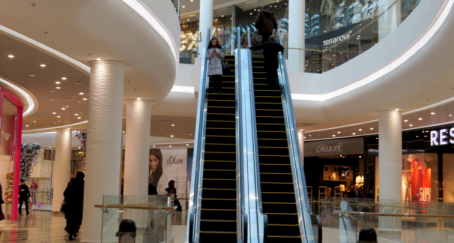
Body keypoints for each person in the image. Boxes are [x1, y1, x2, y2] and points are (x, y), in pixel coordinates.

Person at [64, 171, 85, 241]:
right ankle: (75, 230)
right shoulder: (83, 184)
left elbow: (65, 193)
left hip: (70, 204)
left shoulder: (70, 183)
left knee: (70, 218)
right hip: (79, 205)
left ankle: (70, 230)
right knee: (77, 218)